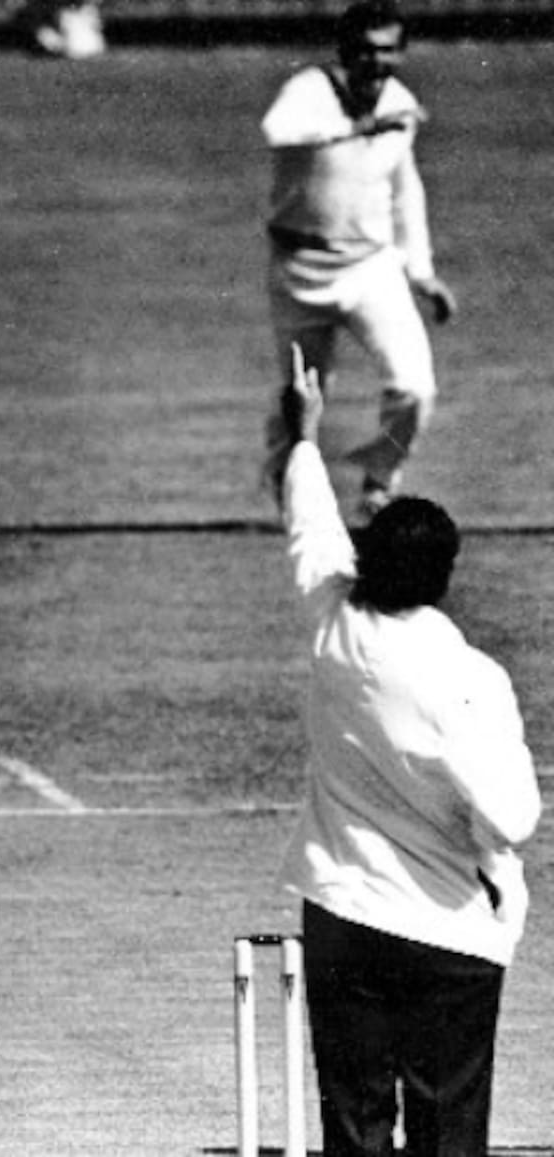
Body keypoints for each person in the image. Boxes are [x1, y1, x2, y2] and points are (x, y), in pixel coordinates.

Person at [275, 347, 540, 1156]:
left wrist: (305, 436)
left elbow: (311, 526)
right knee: (447, 1130)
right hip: (446, 933)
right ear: (445, 579)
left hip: (342, 914)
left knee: (355, 1124)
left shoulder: (333, 621)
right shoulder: (467, 679)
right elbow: (514, 816)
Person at [260, 0, 457, 520]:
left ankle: (379, 482)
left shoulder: (401, 104)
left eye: (389, 51)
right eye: (366, 51)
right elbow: (278, 130)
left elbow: (405, 190)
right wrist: (361, 125)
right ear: (346, 52)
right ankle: (286, 487)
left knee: (416, 386)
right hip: (300, 268)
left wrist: (421, 271)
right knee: (304, 395)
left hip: (372, 269)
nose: (377, 62)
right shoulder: (308, 91)